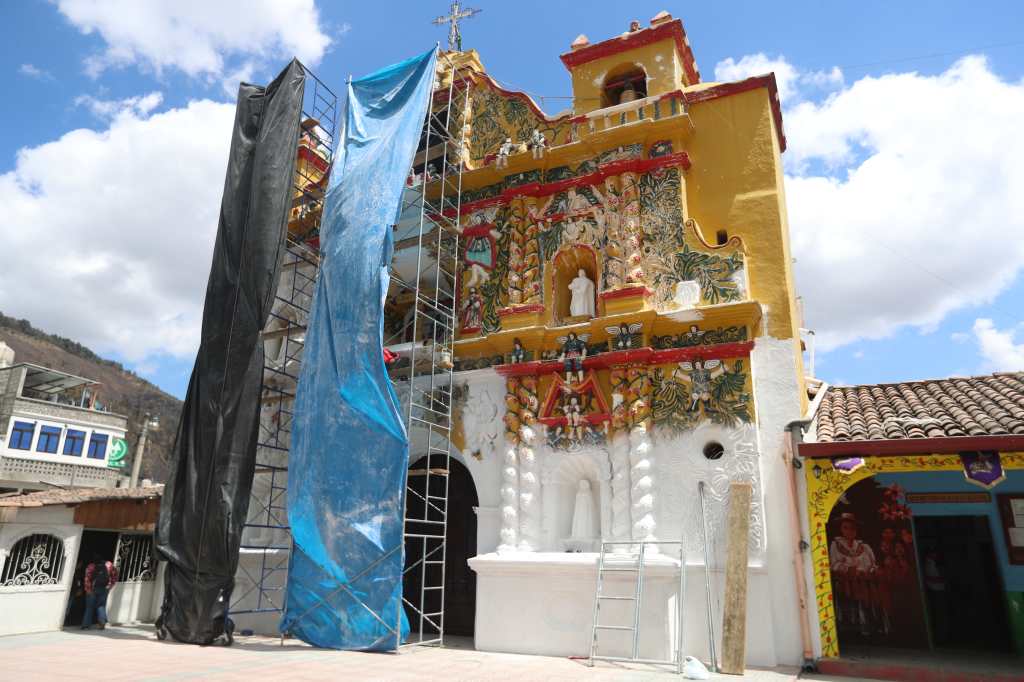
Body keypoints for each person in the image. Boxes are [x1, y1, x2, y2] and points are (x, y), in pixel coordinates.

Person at [81, 553, 118, 630]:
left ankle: (86, 625)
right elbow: (115, 575)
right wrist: (110, 586)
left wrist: (88, 590)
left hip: (92, 589)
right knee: (101, 606)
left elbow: (87, 579)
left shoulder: (90, 566)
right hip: (104, 589)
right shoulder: (109, 565)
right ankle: (102, 624)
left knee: (89, 607)